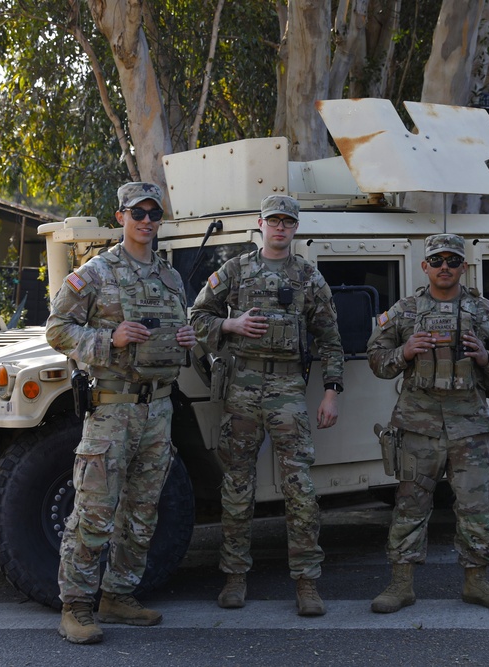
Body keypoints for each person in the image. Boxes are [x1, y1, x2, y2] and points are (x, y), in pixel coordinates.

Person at [46, 181, 197, 644]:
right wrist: (108, 340)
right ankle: (75, 608)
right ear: (121, 218)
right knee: (94, 511)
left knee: (143, 510)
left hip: (159, 408)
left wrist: (187, 341)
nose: (147, 221)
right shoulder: (96, 273)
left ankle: (118, 595)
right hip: (112, 410)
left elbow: (178, 330)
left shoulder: (170, 279)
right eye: (138, 213)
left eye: (154, 214)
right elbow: (56, 330)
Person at [190, 194, 344, 617]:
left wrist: (331, 392)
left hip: (289, 390)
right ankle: (235, 577)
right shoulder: (235, 270)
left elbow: (330, 340)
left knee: (300, 489)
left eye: (287, 222)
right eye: (273, 221)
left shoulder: (309, 278)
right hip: (241, 386)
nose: (280, 228)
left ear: (295, 228)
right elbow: (197, 318)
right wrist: (230, 323)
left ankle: (307, 583)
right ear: (260, 224)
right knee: (237, 487)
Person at [366, 233, 489, 613]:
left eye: (452, 261)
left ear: (463, 267)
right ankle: (401, 584)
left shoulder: (481, 310)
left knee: (477, 505)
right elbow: (375, 356)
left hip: (469, 426)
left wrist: (486, 357)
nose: (444, 267)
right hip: (418, 425)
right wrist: (404, 352)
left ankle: (477, 582)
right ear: (425, 267)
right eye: (437, 260)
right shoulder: (405, 311)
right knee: (409, 505)